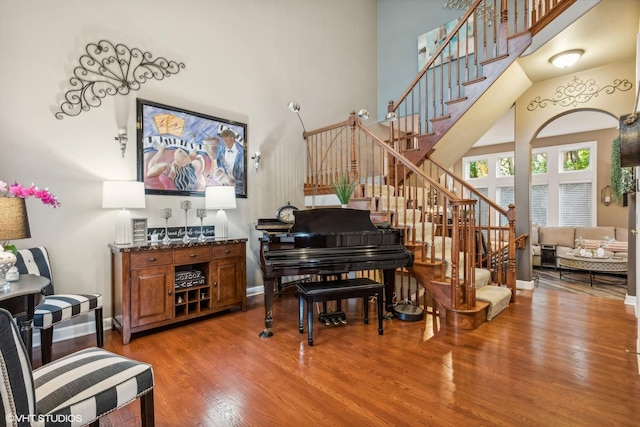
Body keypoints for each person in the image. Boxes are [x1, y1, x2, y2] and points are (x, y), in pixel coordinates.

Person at [215, 129, 245, 195]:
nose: (224, 141)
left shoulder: (241, 156)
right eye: (223, 139)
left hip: (237, 192)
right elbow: (219, 170)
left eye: (226, 139)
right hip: (222, 192)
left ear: (232, 139)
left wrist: (235, 182)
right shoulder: (220, 154)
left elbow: (244, 178)